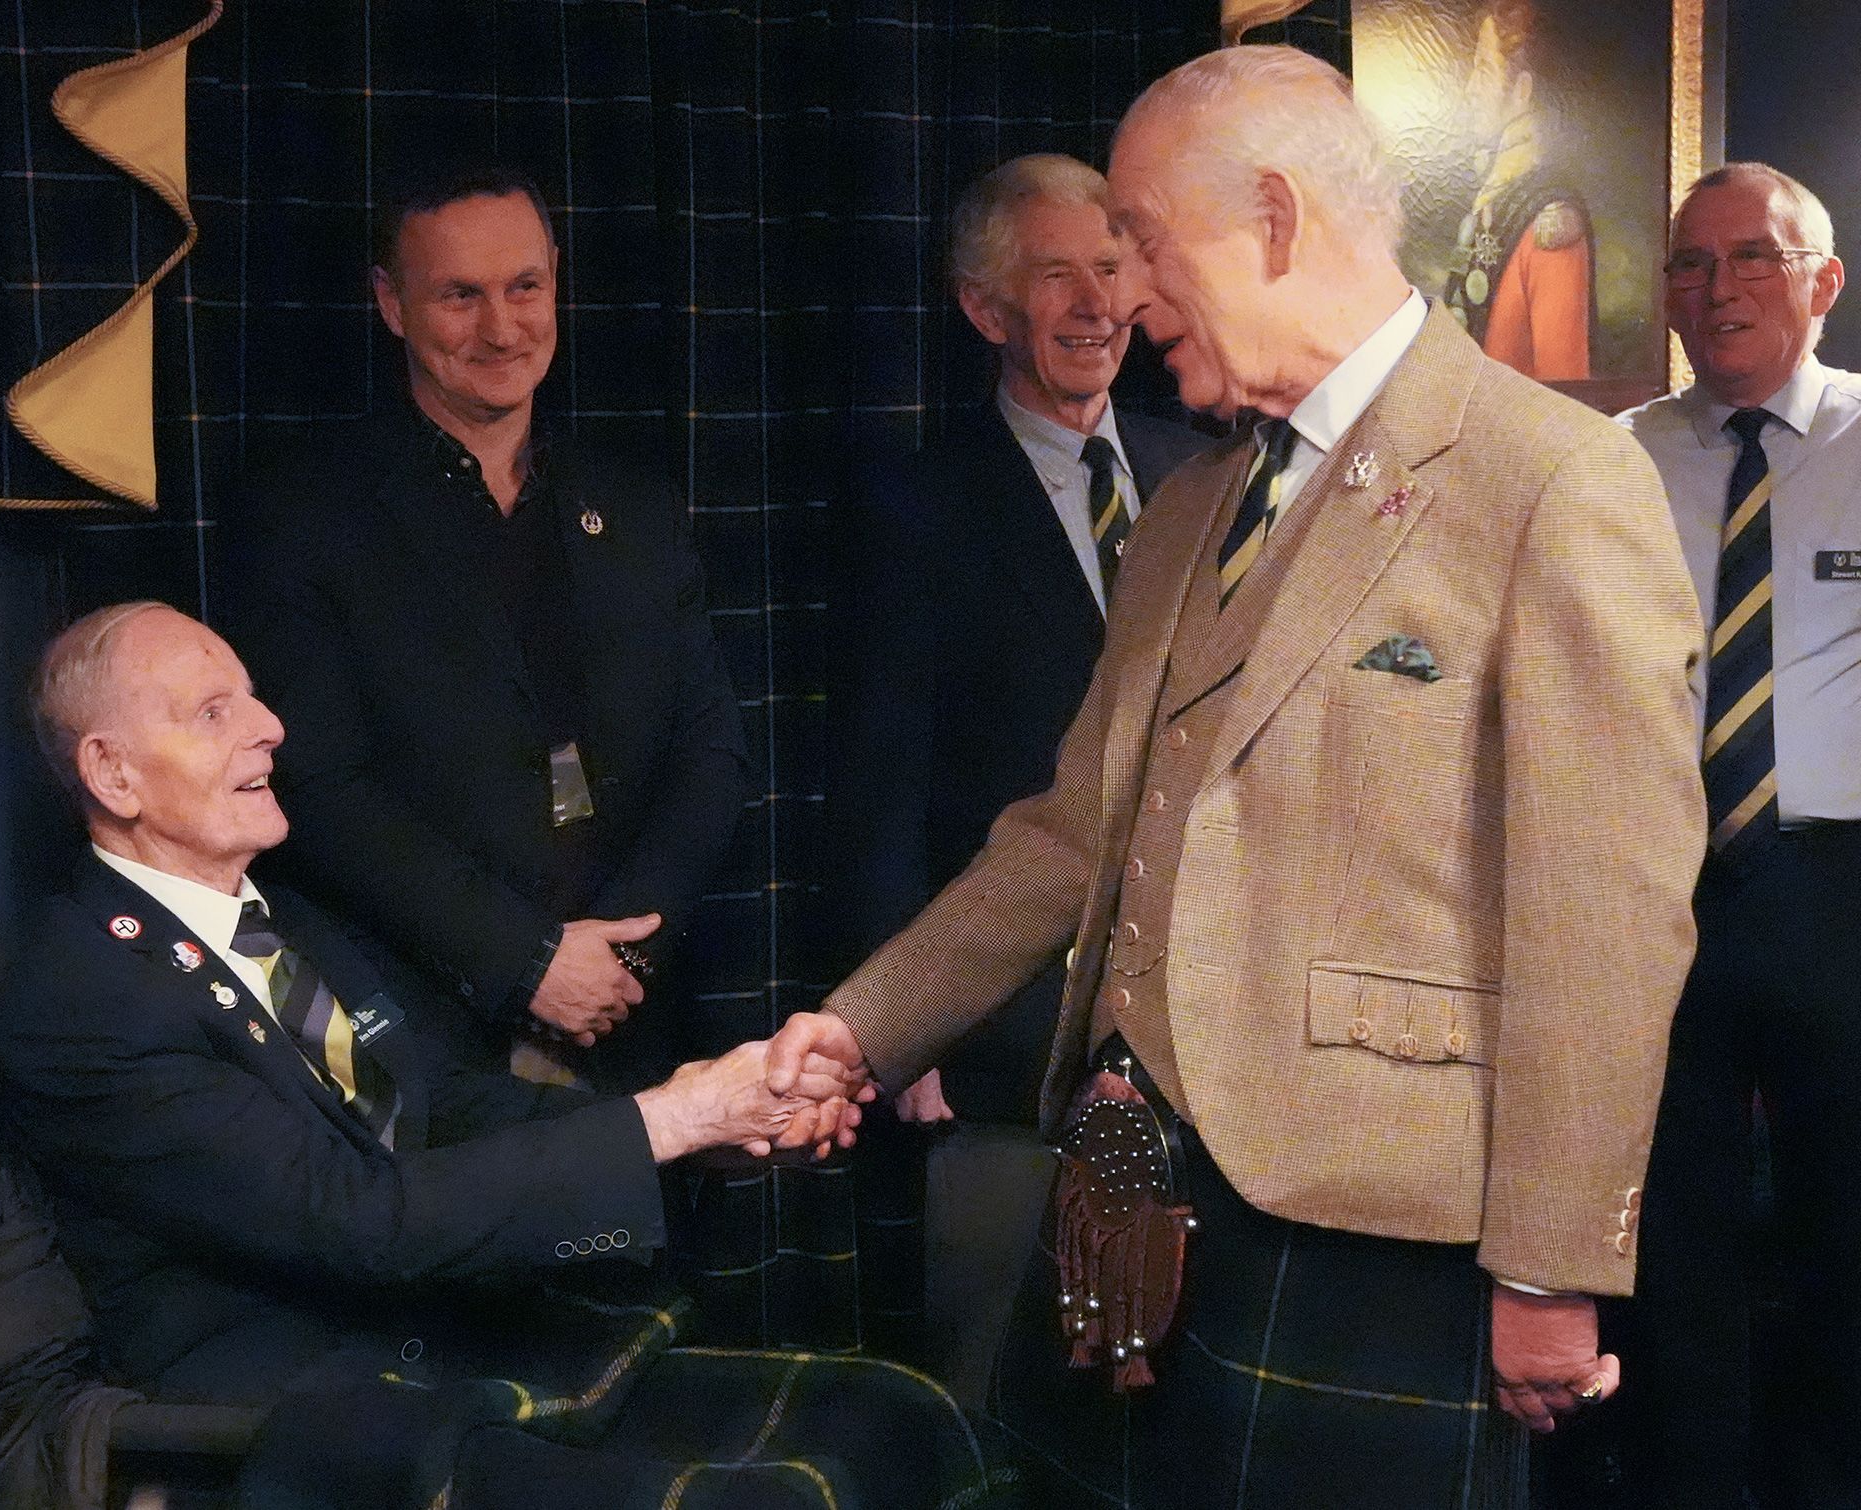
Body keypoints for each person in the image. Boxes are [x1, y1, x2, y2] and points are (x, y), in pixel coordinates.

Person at [773, 44, 1706, 1507]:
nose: (1125, 298)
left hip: (1375, 1239)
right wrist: (861, 1026)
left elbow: (1610, 912)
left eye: (1141, 243)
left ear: (1272, 218)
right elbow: (1070, 832)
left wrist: (1553, 1261)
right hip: (1126, 1190)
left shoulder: (1551, 480)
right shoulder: (1192, 501)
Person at [0, 604, 1020, 1508]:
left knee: (896, 1421)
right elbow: (356, 1219)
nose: (270, 726)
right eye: (214, 711)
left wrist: (700, 1128)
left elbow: (455, 1106)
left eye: (253, 696)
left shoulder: (285, 919)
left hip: (442, 1332)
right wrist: (677, 1118)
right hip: (310, 1412)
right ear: (112, 771)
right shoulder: (79, 996)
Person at [228, 158, 746, 1092]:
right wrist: (528, 960)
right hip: (426, 1032)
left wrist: (620, 957)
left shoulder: (636, 502)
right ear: (391, 303)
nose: (501, 328)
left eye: (525, 287)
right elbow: (319, 789)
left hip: (642, 1023)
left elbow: (711, 751)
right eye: (460, 296)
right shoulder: (307, 515)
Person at [826, 153, 1205, 1128]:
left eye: (1109, 269)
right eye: (1054, 276)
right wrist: (906, 1036)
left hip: (1206, 1020)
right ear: (985, 309)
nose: (1095, 305)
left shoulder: (1208, 480)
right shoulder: (913, 508)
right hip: (1008, 1031)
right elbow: (882, 792)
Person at [1618, 161, 1857, 1510]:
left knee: (1850, 1236)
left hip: (1843, 891)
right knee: (1674, 1237)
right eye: (1693, 265)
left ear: (1825, 282)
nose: (1720, 290)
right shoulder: (1613, 461)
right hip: (1663, 888)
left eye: (1754, 257)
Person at [1440, 0, 1593, 381]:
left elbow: (1565, 394)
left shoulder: (1551, 222)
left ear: (1522, 91)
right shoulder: (1493, 200)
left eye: (1484, 71)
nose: (1471, 89)